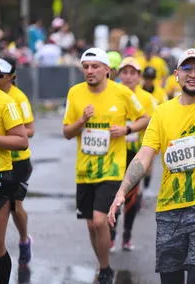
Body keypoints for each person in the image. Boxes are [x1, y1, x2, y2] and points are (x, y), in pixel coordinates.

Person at [108, 5, 195, 284]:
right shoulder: (162, 111)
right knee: (170, 279)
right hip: (169, 208)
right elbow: (145, 154)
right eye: (187, 68)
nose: (193, 73)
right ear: (176, 75)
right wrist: (122, 191)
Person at [62, 47, 149, 284]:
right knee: (91, 224)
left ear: (107, 70)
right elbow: (67, 133)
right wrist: (82, 120)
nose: (89, 71)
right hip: (85, 170)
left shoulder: (121, 93)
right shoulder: (75, 93)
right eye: (86, 67)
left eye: (95, 66)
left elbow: (145, 118)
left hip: (112, 168)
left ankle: (105, 268)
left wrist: (127, 129)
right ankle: (104, 266)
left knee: (100, 220)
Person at [109, 57, 156, 252]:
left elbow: (154, 125)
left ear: (139, 76)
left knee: (130, 197)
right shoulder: (112, 94)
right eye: (125, 72)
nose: (128, 77)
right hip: (112, 153)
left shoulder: (147, 99)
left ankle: (127, 234)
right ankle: (111, 235)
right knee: (112, 194)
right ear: (119, 75)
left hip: (136, 154)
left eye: (133, 73)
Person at [0, 57, 35, 266]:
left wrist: (6, 132)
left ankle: (23, 239)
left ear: (11, 77)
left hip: (17, 162)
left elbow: (29, 130)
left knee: (14, 206)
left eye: (2, 74)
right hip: (3, 159)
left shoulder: (17, 99)